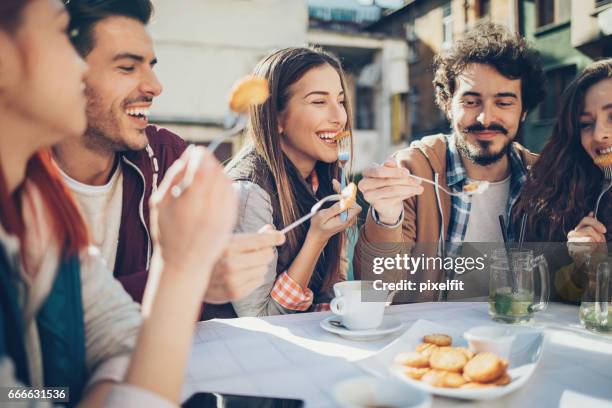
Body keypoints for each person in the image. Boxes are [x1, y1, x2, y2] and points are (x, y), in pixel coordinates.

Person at [0, 0, 236, 406]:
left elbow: (121, 337)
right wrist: (181, 271)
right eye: (60, 34)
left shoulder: (38, 203)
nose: (156, 87)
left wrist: (385, 219)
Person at [52, 0, 283, 313]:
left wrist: (374, 229)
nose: (155, 87)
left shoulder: (169, 158)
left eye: (151, 66)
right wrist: (184, 277)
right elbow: (36, 322)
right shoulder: (19, 177)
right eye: (127, 67)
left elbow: (371, 296)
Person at [354, 22, 545, 300]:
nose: (485, 118)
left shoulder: (544, 179)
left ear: (524, 111)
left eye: (503, 103)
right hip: (428, 339)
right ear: (448, 105)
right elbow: (375, 289)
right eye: (470, 101)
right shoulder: (411, 171)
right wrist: (387, 216)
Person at [225, 47, 361, 316]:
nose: (340, 117)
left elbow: (330, 291)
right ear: (276, 118)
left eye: (341, 101)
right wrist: (317, 239)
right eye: (319, 102)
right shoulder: (248, 192)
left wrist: (386, 218)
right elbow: (259, 319)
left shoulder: (322, 180)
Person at [513, 59, 612, 303]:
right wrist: (586, 267)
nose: (600, 134)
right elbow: (545, 295)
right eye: (586, 124)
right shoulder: (566, 194)